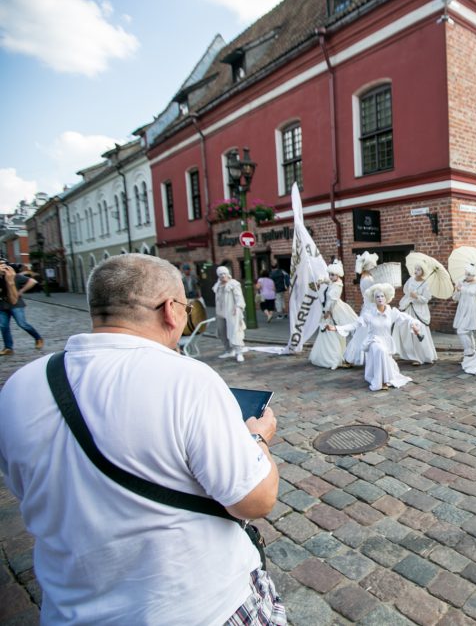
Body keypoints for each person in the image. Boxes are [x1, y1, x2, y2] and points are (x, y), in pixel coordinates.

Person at [0, 253, 283, 624]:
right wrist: (257, 439)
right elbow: (254, 500)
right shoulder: (188, 380)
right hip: (197, 606)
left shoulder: (19, 386)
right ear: (170, 310)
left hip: (71, 610)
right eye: (185, 306)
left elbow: (26, 488)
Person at [328, 283, 421, 391]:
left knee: (382, 351)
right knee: (380, 350)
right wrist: (336, 328)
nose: (380, 298)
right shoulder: (369, 314)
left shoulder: (392, 312)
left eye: (382, 296)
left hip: (386, 341)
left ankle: (385, 379)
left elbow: (406, 318)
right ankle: (380, 382)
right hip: (373, 341)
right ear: (374, 299)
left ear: (386, 297)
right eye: (377, 296)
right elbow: (355, 324)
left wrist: (413, 324)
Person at [309, 260, 358, 369]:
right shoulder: (333, 282)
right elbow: (326, 281)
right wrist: (320, 281)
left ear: (338, 275)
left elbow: (332, 300)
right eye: (330, 275)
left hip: (334, 310)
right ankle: (330, 355)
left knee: (332, 331)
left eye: (332, 275)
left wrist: (327, 312)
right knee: (328, 332)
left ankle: (334, 357)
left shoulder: (337, 286)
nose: (330, 277)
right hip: (331, 308)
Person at [394, 258, 438, 365]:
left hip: (419, 311)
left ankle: (421, 356)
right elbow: (405, 290)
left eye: (419, 269)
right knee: (405, 330)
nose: (416, 271)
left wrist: (417, 296)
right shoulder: (411, 279)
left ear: (423, 271)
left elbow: (426, 299)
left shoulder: (426, 284)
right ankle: (410, 354)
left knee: (418, 331)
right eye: (416, 269)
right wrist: (410, 294)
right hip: (408, 307)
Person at [0, 259, 44, 355]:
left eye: (3, 265)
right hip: (2, 304)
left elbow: (32, 281)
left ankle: (38, 338)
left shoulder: (15, 276)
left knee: (22, 323)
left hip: (16, 304)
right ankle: (8, 347)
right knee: (3, 326)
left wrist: (21, 291)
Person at [343, 251, 378, 367]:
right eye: (373, 266)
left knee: (366, 333)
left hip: (369, 307)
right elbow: (374, 293)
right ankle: (353, 357)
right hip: (370, 308)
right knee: (363, 333)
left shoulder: (366, 277)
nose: (375, 267)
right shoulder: (368, 279)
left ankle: (366, 356)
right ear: (368, 267)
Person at [452, 262, 476, 357]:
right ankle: (472, 350)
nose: (467, 276)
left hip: (471, 309)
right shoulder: (461, 283)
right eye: (466, 274)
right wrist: (457, 290)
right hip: (461, 309)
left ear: (474, 275)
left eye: (469, 274)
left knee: (462, 331)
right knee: (467, 331)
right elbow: (455, 298)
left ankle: (468, 351)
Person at [213, 266, 246, 362]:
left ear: (228, 274)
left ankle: (239, 352)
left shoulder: (234, 284)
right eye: (220, 274)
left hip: (232, 312)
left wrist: (238, 307)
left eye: (224, 274)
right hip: (220, 312)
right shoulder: (217, 285)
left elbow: (239, 297)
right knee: (221, 331)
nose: (223, 276)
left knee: (235, 331)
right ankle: (229, 350)